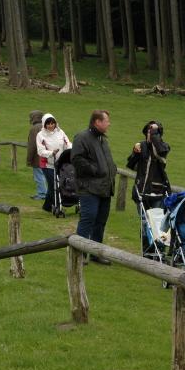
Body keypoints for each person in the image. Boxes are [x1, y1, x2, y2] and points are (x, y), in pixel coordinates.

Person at [71, 110, 116, 265]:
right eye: (106, 121)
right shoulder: (82, 137)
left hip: (104, 188)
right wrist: (95, 170)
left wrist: (111, 170)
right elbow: (77, 159)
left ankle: (97, 253)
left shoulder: (102, 139)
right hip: (89, 188)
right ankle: (79, 254)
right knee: (88, 219)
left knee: (100, 221)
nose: (109, 124)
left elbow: (106, 161)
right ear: (97, 122)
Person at [126, 120, 171, 209]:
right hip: (141, 192)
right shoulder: (141, 145)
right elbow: (131, 165)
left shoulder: (164, 147)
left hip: (157, 194)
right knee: (144, 218)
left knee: (155, 218)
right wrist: (135, 153)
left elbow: (160, 151)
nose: (149, 134)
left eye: (153, 132)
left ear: (158, 135)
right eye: (148, 132)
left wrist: (154, 133)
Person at [36, 113, 72, 212]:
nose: (51, 126)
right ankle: (56, 206)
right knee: (53, 185)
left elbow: (67, 143)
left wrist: (71, 149)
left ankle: (47, 206)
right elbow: (40, 151)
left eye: (52, 123)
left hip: (60, 163)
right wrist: (51, 153)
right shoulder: (40, 135)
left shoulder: (60, 132)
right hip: (47, 164)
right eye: (48, 124)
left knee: (56, 184)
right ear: (44, 124)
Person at [27, 110, 47, 200]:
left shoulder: (34, 129)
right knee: (45, 175)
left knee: (39, 176)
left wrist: (29, 159)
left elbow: (32, 145)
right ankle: (45, 193)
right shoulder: (46, 126)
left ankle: (42, 193)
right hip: (47, 156)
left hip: (38, 157)